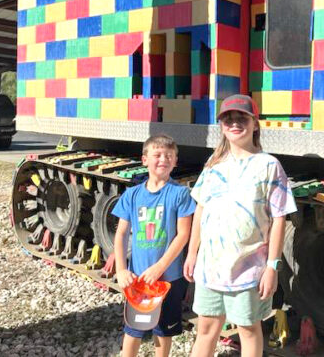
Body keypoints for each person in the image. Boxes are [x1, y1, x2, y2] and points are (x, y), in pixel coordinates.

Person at [183, 94, 297, 357]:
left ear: (255, 124)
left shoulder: (269, 165)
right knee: (206, 328)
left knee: (248, 329)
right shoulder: (213, 165)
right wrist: (192, 253)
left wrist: (272, 267)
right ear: (222, 127)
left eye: (242, 118)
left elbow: (279, 218)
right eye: (228, 119)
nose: (235, 124)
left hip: (248, 269)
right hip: (211, 266)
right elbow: (201, 210)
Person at [113, 134, 196, 357]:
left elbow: (183, 235)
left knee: (163, 331)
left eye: (169, 156)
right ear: (145, 160)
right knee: (133, 329)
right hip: (138, 278)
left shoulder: (180, 194)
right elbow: (121, 234)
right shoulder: (131, 195)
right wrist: (121, 270)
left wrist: (159, 267)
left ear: (175, 161)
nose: (163, 159)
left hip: (169, 278)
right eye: (157, 155)